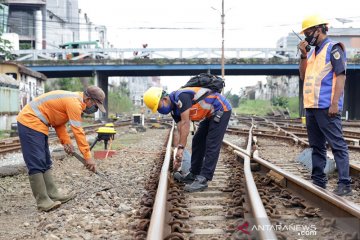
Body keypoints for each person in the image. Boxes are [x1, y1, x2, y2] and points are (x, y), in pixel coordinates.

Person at [17, 85, 106, 211]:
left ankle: (53, 194)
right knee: (36, 161)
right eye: (95, 105)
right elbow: (78, 132)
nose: (94, 109)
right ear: (88, 100)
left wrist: (66, 142)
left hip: (39, 124)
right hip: (30, 122)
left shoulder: (75, 101)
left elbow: (58, 122)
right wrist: (88, 156)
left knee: (46, 160)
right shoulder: (74, 103)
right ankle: (42, 201)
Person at [298, 14, 352, 196]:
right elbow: (303, 76)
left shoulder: (334, 48)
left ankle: (345, 183)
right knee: (317, 146)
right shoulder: (312, 52)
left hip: (327, 107)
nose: (306, 36)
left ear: (318, 30)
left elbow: (341, 76)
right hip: (312, 107)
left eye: (308, 32)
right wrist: (303, 56)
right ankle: (318, 181)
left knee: (337, 145)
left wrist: (335, 103)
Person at [143, 84, 232, 192]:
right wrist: (179, 153)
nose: (159, 110)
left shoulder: (181, 97)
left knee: (212, 143)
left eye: (158, 106)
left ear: (165, 99)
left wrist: (181, 148)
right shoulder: (174, 110)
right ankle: (194, 173)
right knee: (198, 140)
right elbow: (181, 128)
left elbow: (186, 123)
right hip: (210, 114)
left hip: (221, 108)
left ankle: (203, 178)